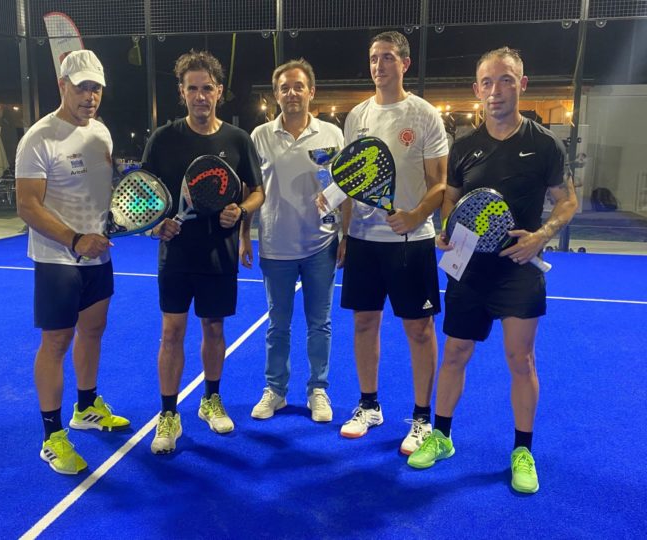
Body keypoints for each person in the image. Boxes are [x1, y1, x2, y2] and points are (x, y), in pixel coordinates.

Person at [407, 47, 578, 495]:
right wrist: (446, 230)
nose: (496, 90)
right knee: (455, 354)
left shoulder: (545, 143)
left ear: (522, 84)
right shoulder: (464, 146)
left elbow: (567, 200)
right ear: (476, 89)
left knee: (521, 360)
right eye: (487, 82)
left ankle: (522, 450)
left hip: (519, 268)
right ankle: (441, 436)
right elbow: (451, 198)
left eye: (505, 80)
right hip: (468, 268)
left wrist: (542, 235)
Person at [143, 50, 264, 454]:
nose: (200, 96)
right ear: (181, 92)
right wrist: (157, 224)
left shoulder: (237, 139)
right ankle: (168, 414)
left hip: (219, 255)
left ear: (219, 92)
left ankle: (211, 399)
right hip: (176, 255)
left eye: (207, 88)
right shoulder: (163, 139)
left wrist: (241, 210)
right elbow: (144, 193)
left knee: (214, 328)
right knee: (171, 332)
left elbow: (257, 191)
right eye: (192, 88)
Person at [15, 50, 130, 475]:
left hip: (98, 255)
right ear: (62, 85)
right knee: (56, 343)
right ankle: (52, 437)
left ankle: (86, 408)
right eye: (82, 87)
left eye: (96, 88)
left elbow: (100, 193)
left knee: (94, 330)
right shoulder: (39, 138)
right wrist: (76, 240)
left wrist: (109, 224)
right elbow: (27, 206)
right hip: (57, 258)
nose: (90, 96)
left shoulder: (101, 133)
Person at [338, 32, 448, 455]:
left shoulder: (425, 115)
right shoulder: (357, 117)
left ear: (405, 63)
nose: (378, 65)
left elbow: (440, 182)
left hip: (411, 241)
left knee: (419, 329)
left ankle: (421, 417)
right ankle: (369, 406)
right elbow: (352, 179)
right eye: (373, 58)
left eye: (387, 58)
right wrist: (345, 232)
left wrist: (416, 215)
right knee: (364, 323)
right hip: (364, 240)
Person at [240, 59, 345, 423]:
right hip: (275, 246)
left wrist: (345, 235)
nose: (292, 93)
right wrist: (245, 235)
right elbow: (250, 189)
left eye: (298, 86)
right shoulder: (259, 136)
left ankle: (318, 390)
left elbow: (343, 187)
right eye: (284, 88)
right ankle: (276, 390)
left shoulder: (332, 135)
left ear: (311, 92)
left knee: (320, 324)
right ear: (276, 95)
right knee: (277, 325)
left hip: (321, 245)